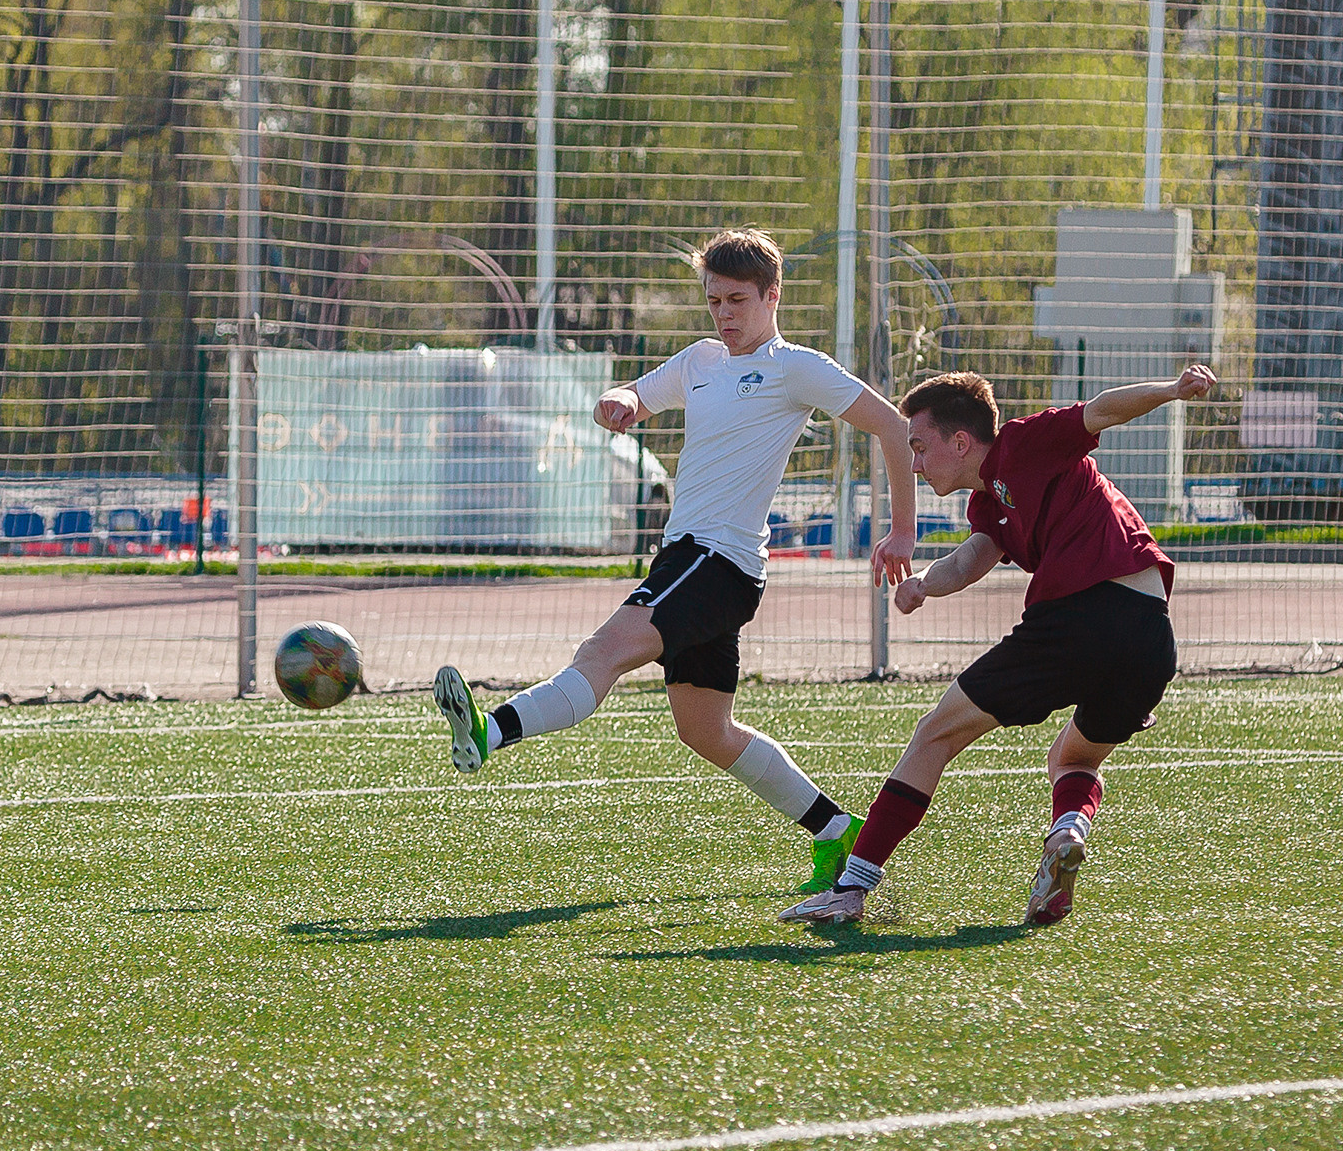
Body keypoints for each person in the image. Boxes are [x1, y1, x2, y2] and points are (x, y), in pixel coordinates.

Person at [432, 227, 919, 894]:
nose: (723, 314)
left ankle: (490, 732)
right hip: (700, 564)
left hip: (714, 561)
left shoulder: (794, 367)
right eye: (714, 300)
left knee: (602, 650)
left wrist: (901, 531)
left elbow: (892, 425)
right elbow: (641, 392)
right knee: (706, 732)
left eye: (737, 300)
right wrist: (621, 402)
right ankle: (838, 830)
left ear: (773, 295)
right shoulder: (701, 360)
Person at [781, 362, 1217, 927]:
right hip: (1150, 639)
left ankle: (852, 885)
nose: (913, 462)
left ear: (961, 441)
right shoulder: (990, 501)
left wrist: (1171, 388)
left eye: (918, 446)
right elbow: (970, 559)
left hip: (1077, 621)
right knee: (1073, 758)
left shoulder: (1023, 442)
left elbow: (1103, 408)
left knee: (934, 734)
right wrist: (920, 586)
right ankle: (1067, 832)